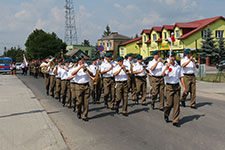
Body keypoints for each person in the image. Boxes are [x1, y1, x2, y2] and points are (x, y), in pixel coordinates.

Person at [162, 52, 186, 127]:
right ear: (169, 58)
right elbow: (163, 74)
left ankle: (175, 120)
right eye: (171, 57)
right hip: (169, 86)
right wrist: (167, 67)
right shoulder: (165, 65)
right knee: (169, 104)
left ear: (174, 58)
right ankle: (166, 114)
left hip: (176, 86)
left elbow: (181, 77)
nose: (172, 58)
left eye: (173, 57)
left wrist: (184, 87)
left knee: (176, 104)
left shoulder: (178, 66)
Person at [71, 56, 93, 121]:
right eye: (80, 60)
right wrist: (80, 67)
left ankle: (84, 115)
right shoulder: (75, 67)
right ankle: (78, 111)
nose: (82, 61)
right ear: (78, 61)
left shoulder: (87, 66)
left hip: (86, 85)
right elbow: (73, 73)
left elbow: (92, 74)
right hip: (78, 86)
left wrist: (87, 69)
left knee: (86, 102)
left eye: (82, 60)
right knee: (79, 102)